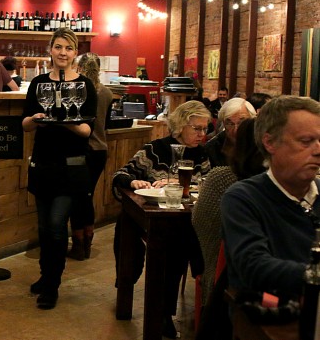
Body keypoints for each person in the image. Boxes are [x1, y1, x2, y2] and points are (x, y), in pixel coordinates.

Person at [112, 100, 211, 338]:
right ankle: (130, 284)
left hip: (185, 220)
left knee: (179, 244)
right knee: (127, 224)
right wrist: (134, 181)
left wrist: (185, 183)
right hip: (152, 217)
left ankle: (165, 313)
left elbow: (208, 184)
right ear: (180, 126)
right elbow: (121, 174)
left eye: (205, 128)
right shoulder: (155, 149)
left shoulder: (202, 154)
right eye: (197, 128)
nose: (202, 134)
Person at [22, 28, 97, 309]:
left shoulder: (85, 86)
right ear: (50, 50)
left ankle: (52, 285)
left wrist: (65, 122)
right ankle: (46, 276)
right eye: (58, 47)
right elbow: (25, 124)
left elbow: (87, 130)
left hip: (71, 168)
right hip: (43, 165)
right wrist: (37, 119)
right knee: (44, 227)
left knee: (56, 225)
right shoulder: (38, 83)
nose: (62, 52)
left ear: (75, 52)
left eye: (68, 48)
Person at [221, 95, 320, 300]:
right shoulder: (243, 198)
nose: (318, 150)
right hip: (273, 313)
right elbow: (254, 267)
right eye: (306, 141)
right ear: (269, 142)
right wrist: (314, 275)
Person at [193, 118, 266, 308]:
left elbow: (199, 223)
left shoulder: (220, 178)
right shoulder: (228, 182)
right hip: (245, 292)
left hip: (223, 280)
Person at [67, 52, 112, 260]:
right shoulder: (107, 93)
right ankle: (87, 242)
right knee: (87, 196)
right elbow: (106, 124)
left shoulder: (77, 90)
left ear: (79, 68)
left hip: (81, 150)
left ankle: (78, 245)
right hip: (100, 150)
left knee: (77, 198)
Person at [205, 98, 256, 167]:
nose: (236, 130)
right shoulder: (212, 149)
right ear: (223, 124)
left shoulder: (262, 145)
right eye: (230, 124)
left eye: (241, 123)